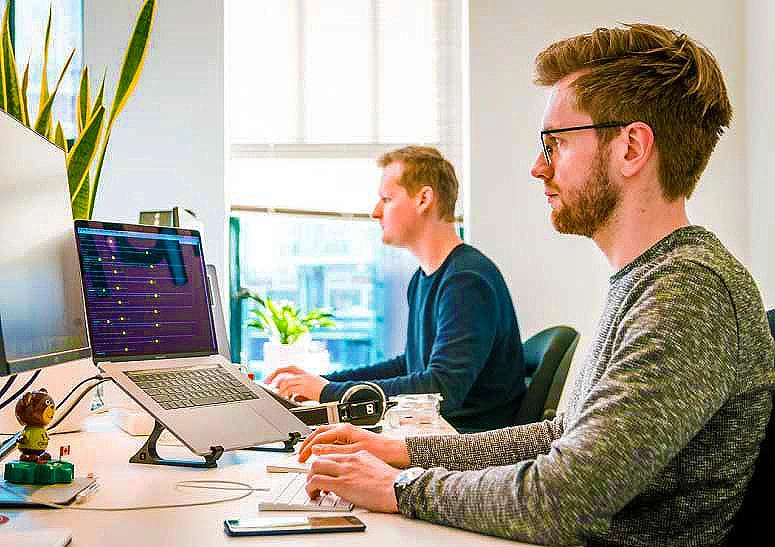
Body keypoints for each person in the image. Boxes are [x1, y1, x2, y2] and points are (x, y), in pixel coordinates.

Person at [294, 24, 775, 546]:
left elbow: (562, 498)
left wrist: (399, 488)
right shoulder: (649, 279)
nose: (538, 166)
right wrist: (403, 452)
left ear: (631, 147)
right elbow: (560, 437)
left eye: (555, 143)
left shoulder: (689, 293)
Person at [265, 146, 526, 432]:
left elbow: (441, 390)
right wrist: (324, 383)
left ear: (424, 199)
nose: (375, 212)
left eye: (386, 199)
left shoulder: (466, 281)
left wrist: (329, 393)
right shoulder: (425, 278)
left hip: (465, 443)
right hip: (435, 432)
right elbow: (411, 365)